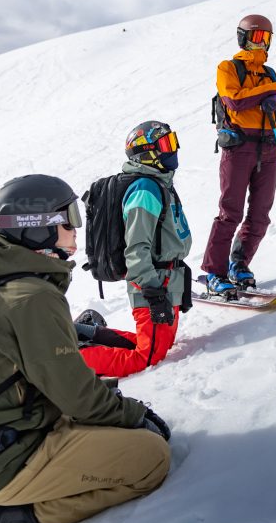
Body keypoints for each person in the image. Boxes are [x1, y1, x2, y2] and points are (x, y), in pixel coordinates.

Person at [0, 174, 171, 523]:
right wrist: (135, 416)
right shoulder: (31, 296)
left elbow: (52, 379)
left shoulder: (1, 279)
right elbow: (79, 399)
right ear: (38, 230)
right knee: (151, 458)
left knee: (111, 420)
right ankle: (17, 519)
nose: (75, 230)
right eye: (67, 220)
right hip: (4, 461)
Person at [79, 121, 193, 377]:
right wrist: (153, 292)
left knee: (155, 345)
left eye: (172, 142)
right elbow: (136, 247)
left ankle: (85, 334)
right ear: (147, 153)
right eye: (165, 145)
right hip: (152, 282)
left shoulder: (157, 184)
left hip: (165, 279)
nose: (172, 150)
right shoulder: (145, 189)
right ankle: (67, 361)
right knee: (147, 357)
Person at [201, 14, 276, 294]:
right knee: (230, 212)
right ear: (243, 38)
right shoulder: (228, 68)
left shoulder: (270, 73)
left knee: (260, 213)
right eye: (256, 37)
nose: (261, 44)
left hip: (267, 147)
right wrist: (272, 92)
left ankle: (239, 264)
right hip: (239, 147)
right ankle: (213, 272)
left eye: (266, 38)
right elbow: (236, 100)